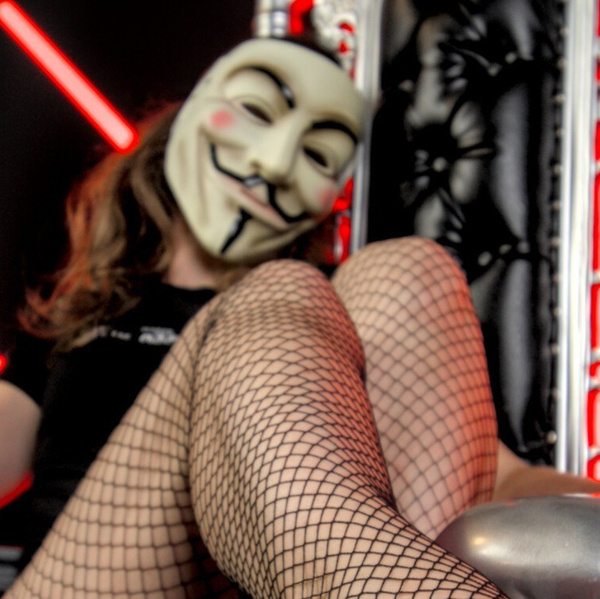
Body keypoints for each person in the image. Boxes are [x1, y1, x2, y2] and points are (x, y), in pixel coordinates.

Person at [0, 36, 596, 598]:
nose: (276, 162)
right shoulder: (76, 319)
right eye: (257, 111)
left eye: (318, 154)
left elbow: (505, 479)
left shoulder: (352, 310)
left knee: (411, 267)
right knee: (280, 287)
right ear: (187, 115)